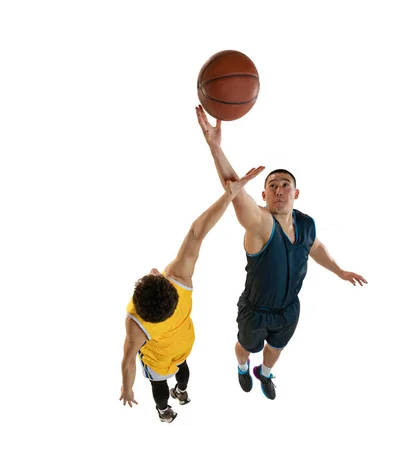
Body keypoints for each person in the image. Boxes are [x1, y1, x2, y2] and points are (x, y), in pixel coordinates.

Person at [196, 105, 368, 400]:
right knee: (246, 347)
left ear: (295, 193)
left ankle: (263, 373)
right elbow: (235, 190)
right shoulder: (260, 223)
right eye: (272, 185)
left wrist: (340, 270)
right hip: (255, 311)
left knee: (275, 349)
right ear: (263, 195)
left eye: (285, 185)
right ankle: (242, 366)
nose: (278, 190)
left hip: (289, 309)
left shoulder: (306, 223)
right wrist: (215, 149)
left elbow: (314, 247)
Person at [120, 166, 265, 422]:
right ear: (168, 286)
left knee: (158, 385)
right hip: (185, 344)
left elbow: (129, 362)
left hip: (159, 358)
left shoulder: (135, 325)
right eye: (155, 275)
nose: (155, 271)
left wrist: (127, 387)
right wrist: (229, 194)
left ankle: (164, 410)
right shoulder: (180, 279)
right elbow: (198, 232)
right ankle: (183, 392)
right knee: (183, 371)